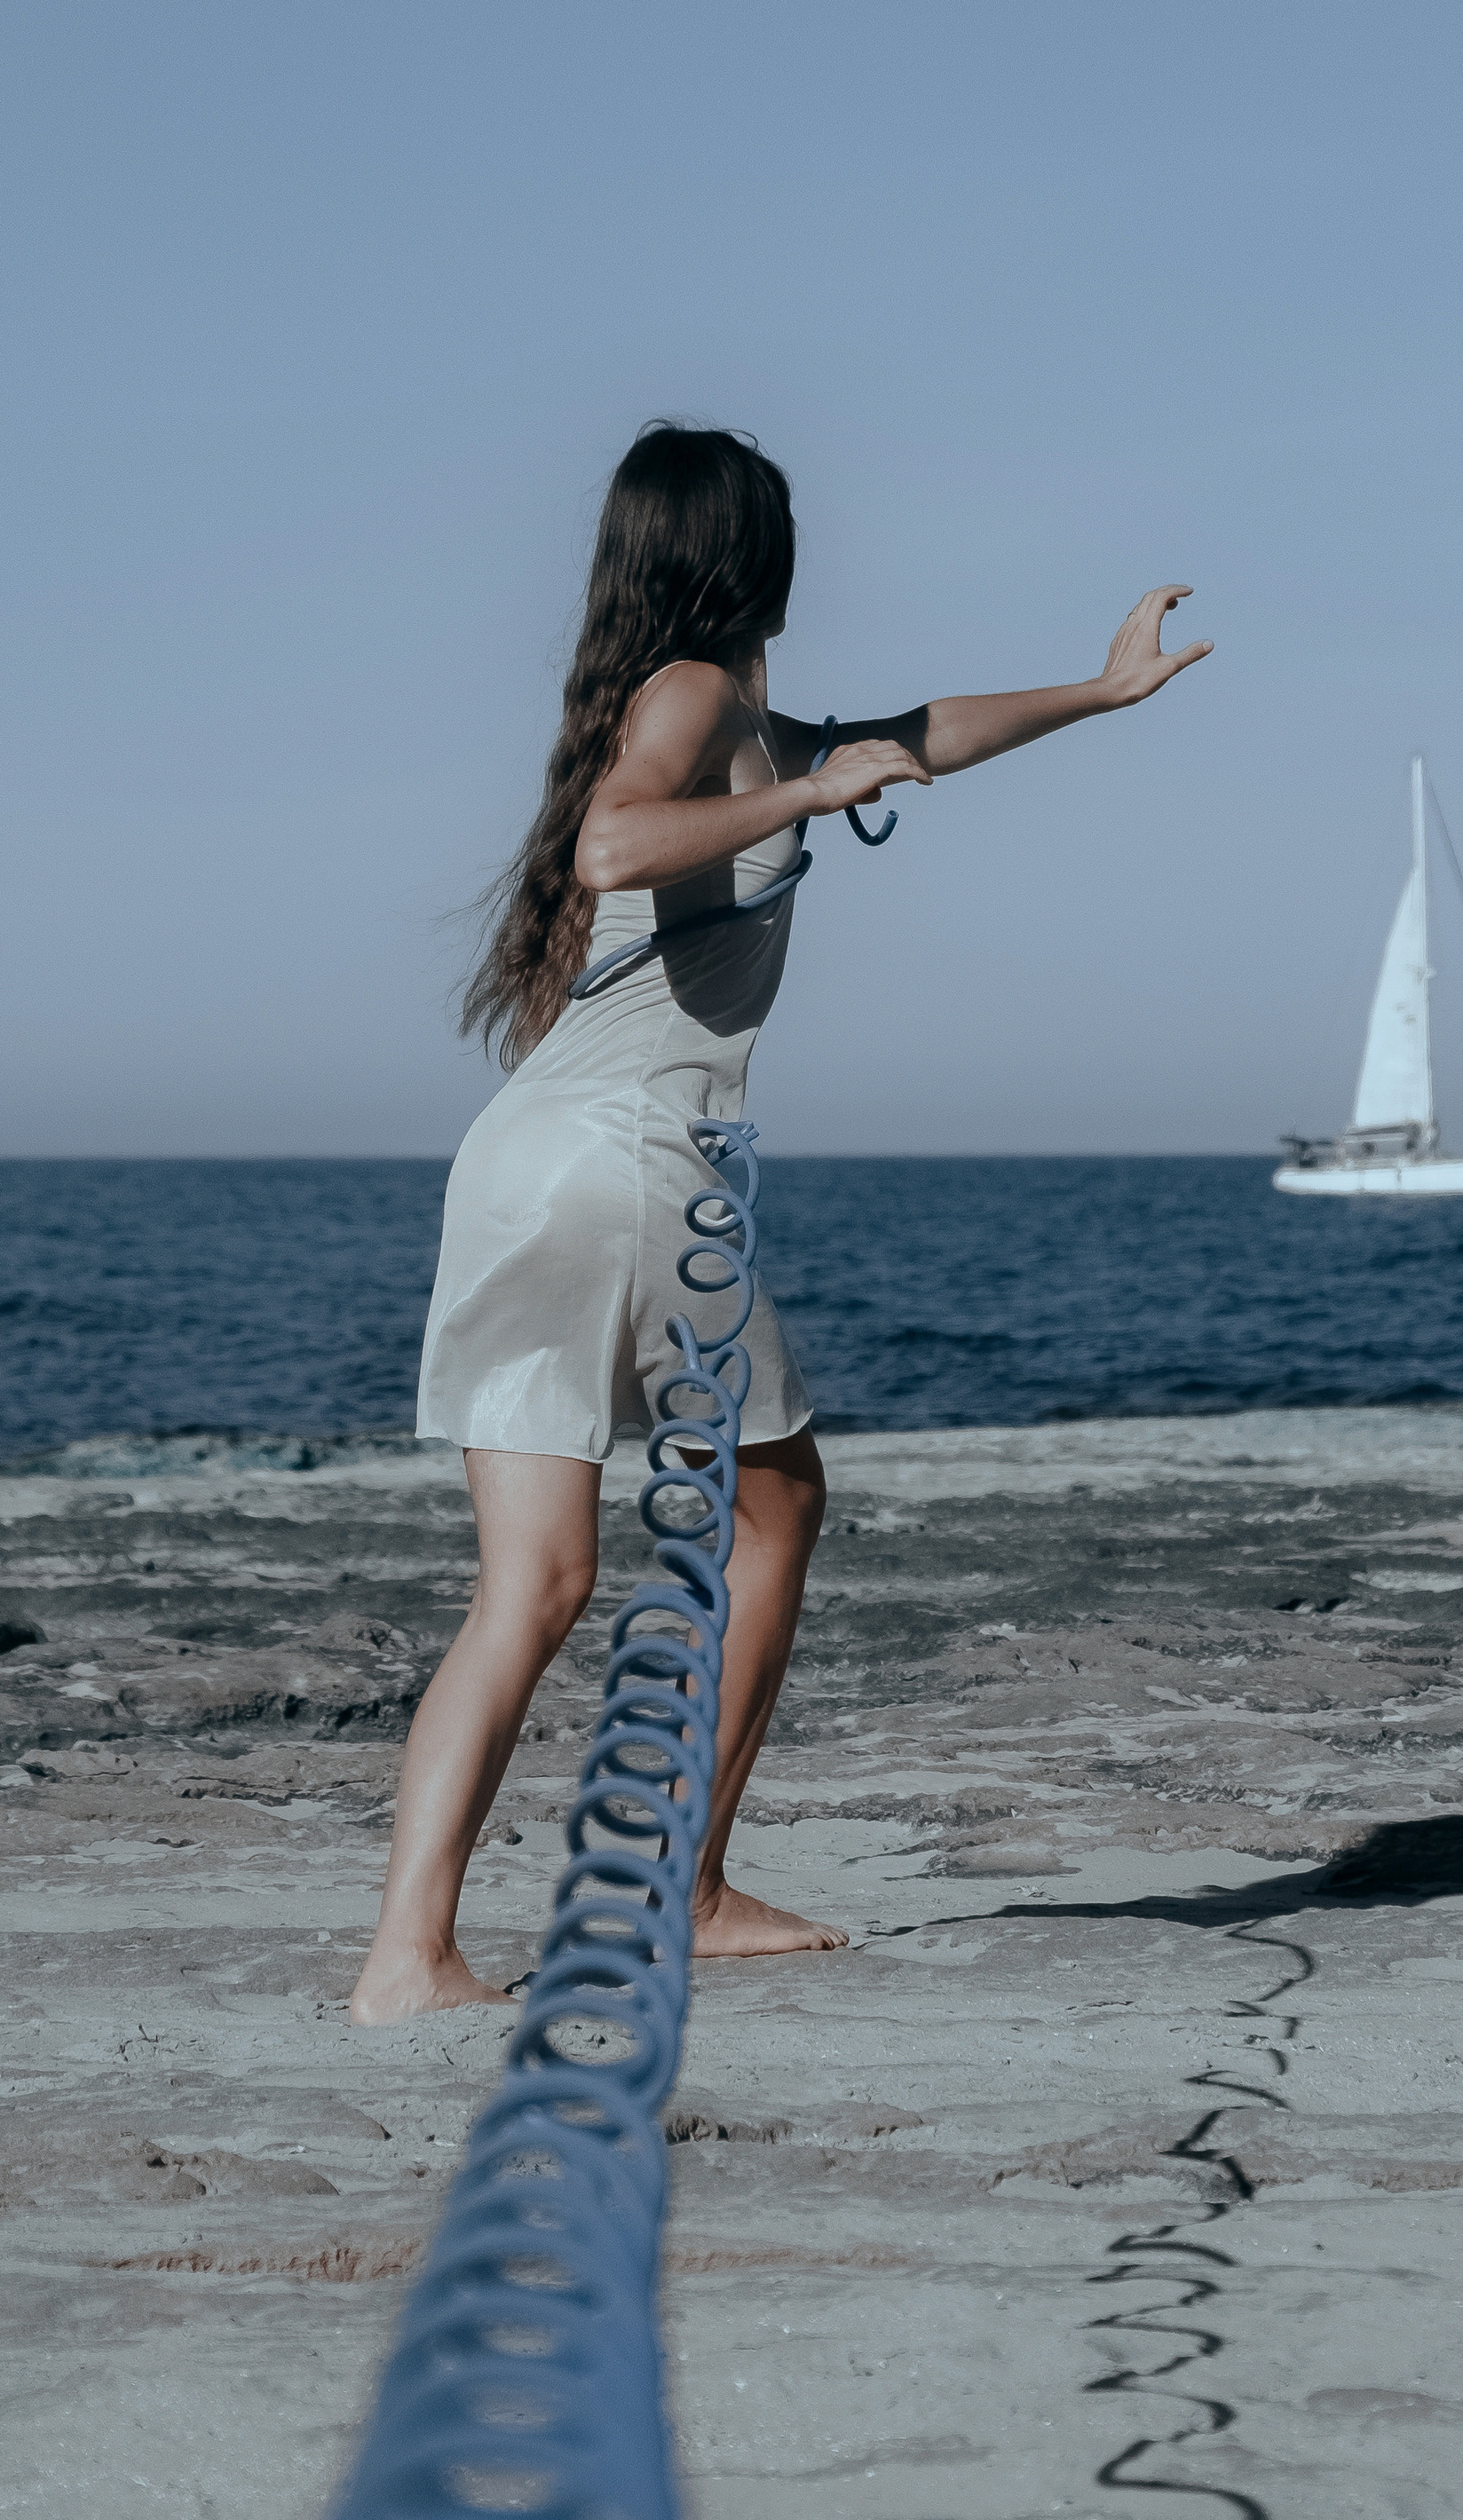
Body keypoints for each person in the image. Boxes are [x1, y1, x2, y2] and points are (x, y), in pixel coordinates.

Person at [350, 420, 1210, 2023]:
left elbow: (922, 733)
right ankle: (684, 1882)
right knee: (777, 1507)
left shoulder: (716, 710)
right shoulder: (695, 703)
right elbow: (620, 838)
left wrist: (1097, 693)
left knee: (532, 1587)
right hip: (636, 1160)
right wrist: (814, 786)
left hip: (523, 1166)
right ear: (749, 551)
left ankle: (407, 1960)